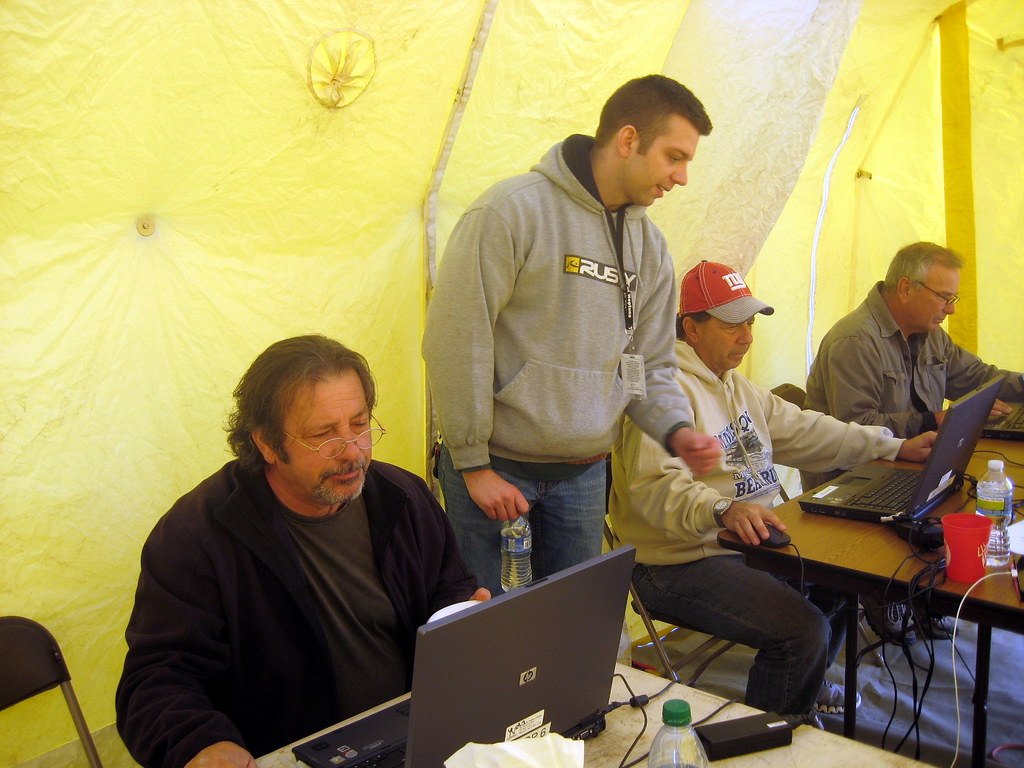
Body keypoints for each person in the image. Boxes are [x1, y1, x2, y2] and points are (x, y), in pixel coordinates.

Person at [116, 335, 486, 768]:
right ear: (268, 444)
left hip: (411, 734)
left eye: (360, 423)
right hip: (290, 755)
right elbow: (157, 676)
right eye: (323, 434)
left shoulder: (402, 496)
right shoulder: (196, 535)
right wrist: (200, 744)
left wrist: (462, 618)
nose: (353, 451)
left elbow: (448, 589)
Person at [422, 75, 723, 594]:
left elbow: (651, 363)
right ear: (628, 140)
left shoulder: (650, 247)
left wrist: (677, 429)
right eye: (674, 157)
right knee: (487, 632)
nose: (683, 177)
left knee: (570, 627)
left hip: (584, 477)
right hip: (494, 473)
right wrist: (472, 464)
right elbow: (457, 339)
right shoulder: (510, 211)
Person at [609, 261, 935, 716]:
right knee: (801, 630)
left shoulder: (739, 388)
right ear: (692, 328)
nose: (747, 337)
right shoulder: (663, 396)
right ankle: (769, 735)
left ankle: (804, 684)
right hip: (677, 561)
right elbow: (655, 487)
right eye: (732, 326)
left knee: (845, 582)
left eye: (750, 323)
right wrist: (723, 508)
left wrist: (898, 446)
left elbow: (812, 431)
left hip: (751, 545)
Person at [806, 241, 1024, 439]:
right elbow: (857, 428)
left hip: (910, 458)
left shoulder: (931, 334)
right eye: (944, 298)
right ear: (906, 289)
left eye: (953, 298)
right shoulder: (855, 341)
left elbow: (977, 378)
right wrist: (936, 420)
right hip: (858, 473)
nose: (951, 309)